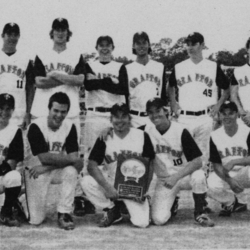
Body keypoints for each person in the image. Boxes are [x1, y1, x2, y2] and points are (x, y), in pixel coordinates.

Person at [80, 103, 155, 228]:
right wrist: (107, 187)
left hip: (134, 187)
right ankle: (111, 209)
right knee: (86, 181)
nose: (120, 121)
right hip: (112, 184)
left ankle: (125, 204)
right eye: (116, 117)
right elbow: (91, 166)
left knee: (141, 223)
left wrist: (143, 190)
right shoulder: (105, 137)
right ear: (111, 119)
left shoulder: (141, 135)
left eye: (123, 116)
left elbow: (150, 164)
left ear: (129, 118)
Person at [142, 98, 214, 227]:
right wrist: (108, 130)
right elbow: (126, 132)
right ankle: (172, 202)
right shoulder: (146, 131)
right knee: (159, 220)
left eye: (158, 110)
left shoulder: (181, 130)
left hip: (185, 176)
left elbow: (197, 162)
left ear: (166, 110)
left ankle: (199, 213)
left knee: (199, 176)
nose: (154, 115)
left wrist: (176, 177)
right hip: (165, 180)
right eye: (150, 112)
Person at [168, 32, 230, 170]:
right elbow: (170, 86)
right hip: (184, 116)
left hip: (205, 117)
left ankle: (201, 188)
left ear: (202, 45)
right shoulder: (179, 67)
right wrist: (173, 103)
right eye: (188, 44)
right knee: (183, 154)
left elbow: (226, 88)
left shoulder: (212, 66)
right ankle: (184, 187)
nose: (190, 47)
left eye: (194, 44)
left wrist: (218, 105)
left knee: (204, 154)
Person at [23, 92, 83, 230]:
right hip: (34, 172)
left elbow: (76, 161)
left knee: (71, 171)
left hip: (48, 169)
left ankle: (64, 212)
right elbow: (44, 158)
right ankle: (21, 200)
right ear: (48, 109)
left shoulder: (69, 126)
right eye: (55, 110)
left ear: (68, 112)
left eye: (63, 112)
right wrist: (69, 160)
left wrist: (47, 167)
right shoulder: (36, 126)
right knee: (36, 220)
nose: (59, 115)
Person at [31, 18, 84, 135]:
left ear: (68, 33)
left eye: (63, 30)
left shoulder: (76, 55)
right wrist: (69, 78)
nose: (60, 33)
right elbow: (39, 82)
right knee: (39, 151)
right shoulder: (41, 54)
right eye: (57, 30)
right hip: (42, 112)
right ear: (52, 32)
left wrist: (55, 75)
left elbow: (80, 80)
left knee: (69, 152)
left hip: (69, 114)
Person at [83, 35, 128, 159]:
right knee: (92, 154)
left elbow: (122, 89)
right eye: (101, 45)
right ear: (96, 48)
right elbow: (89, 86)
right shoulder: (89, 65)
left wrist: (98, 81)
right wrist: (109, 81)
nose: (104, 48)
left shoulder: (120, 66)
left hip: (113, 115)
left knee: (114, 153)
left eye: (107, 45)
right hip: (94, 115)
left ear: (113, 47)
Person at [207, 101, 250, 216]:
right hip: (226, 174)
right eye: (223, 113)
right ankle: (232, 201)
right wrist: (229, 180)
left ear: (237, 114)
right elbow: (216, 165)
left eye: (230, 113)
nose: (227, 117)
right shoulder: (215, 136)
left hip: (245, 172)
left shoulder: (247, 132)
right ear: (219, 115)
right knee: (208, 184)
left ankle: (241, 199)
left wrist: (234, 161)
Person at [126, 31, 167, 127]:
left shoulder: (159, 66)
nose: (141, 46)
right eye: (138, 43)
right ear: (133, 46)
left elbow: (163, 94)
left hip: (155, 118)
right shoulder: (127, 69)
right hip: (135, 118)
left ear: (149, 45)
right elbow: (125, 96)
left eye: (144, 43)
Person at [0, 23, 34, 129]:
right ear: (2, 35)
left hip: (18, 116)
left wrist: (28, 113)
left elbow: (30, 88)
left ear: (19, 36)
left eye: (15, 35)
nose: (12, 38)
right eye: (9, 34)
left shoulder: (25, 60)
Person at [0, 93, 24, 227]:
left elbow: (11, 164)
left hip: (1, 175)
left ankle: (6, 211)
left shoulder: (15, 131)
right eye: (0, 108)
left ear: (12, 110)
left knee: (14, 176)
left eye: (8, 109)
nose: (4, 112)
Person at [231, 38, 250, 127]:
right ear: (248, 50)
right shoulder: (238, 71)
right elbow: (233, 96)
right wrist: (241, 110)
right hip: (245, 118)